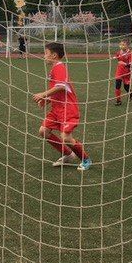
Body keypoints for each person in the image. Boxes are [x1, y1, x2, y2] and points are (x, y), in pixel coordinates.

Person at [32, 42, 91, 171]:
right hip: (56, 109)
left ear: (54, 55)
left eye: (46, 53)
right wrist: (47, 99)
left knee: (66, 138)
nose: (44, 56)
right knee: (44, 131)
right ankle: (68, 154)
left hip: (67, 109)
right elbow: (60, 90)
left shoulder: (60, 67)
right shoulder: (54, 68)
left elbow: (61, 86)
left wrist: (43, 94)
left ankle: (86, 159)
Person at [113, 39, 132, 105]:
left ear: (127, 46)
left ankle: (130, 94)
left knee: (126, 87)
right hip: (119, 71)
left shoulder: (130, 53)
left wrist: (124, 63)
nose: (121, 46)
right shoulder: (119, 52)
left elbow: (131, 64)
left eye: (123, 45)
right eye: (121, 44)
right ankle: (118, 101)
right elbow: (116, 57)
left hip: (127, 72)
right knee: (117, 85)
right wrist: (113, 57)